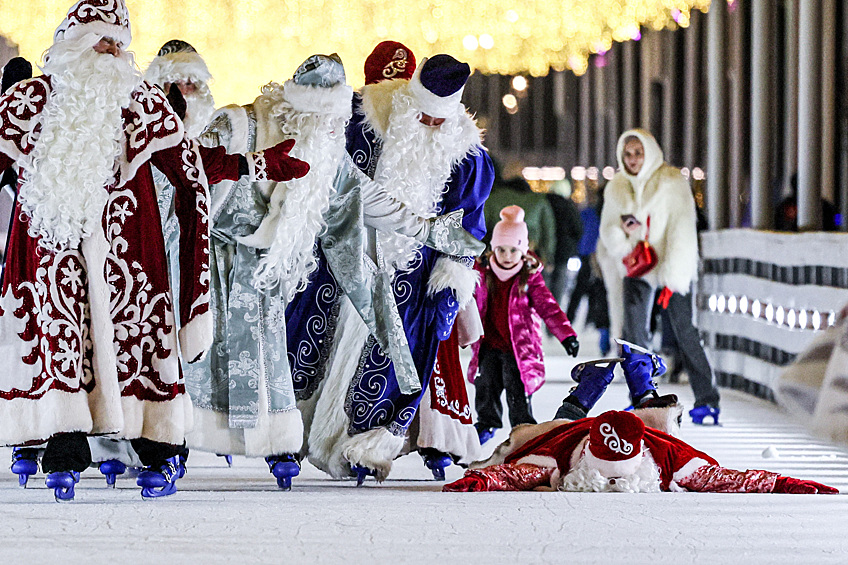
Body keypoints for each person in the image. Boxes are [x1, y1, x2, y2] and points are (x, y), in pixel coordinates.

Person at [0, 0, 309, 501]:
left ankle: (160, 450)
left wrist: (250, 164)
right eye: (102, 40)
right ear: (73, 43)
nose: (113, 51)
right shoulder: (31, 102)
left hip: (131, 259)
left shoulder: (141, 102)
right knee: (61, 347)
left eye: (120, 43)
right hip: (53, 259)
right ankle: (63, 446)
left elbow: (190, 167)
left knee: (139, 350)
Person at [288, 53, 494, 483]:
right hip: (343, 266)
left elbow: (469, 225)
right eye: (424, 118)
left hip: (413, 281)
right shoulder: (365, 127)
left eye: (440, 122)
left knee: (392, 370)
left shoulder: (469, 158)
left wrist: (452, 283)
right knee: (314, 350)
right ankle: (291, 437)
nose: (431, 128)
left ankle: (366, 449)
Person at [444, 348, 838, 494]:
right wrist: (787, 483)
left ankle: (611, 382)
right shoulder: (563, 456)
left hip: (629, 435)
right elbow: (727, 480)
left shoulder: (662, 456)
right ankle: (635, 377)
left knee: (561, 426)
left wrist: (790, 484)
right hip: (592, 435)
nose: (614, 483)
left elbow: (511, 475)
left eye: (610, 477)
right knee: (559, 428)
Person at [599, 129, 720, 425]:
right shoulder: (616, 186)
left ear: (650, 152)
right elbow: (608, 228)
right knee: (634, 336)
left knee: (685, 330)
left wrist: (673, 276)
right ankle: (642, 399)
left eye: (638, 153)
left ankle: (708, 399)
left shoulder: (672, 182)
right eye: (627, 154)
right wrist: (625, 240)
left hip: (670, 265)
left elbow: (682, 230)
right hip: (637, 266)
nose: (633, 159)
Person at [469, 206, 579, 445]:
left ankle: (523, 427)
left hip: (518, 349)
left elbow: (548, 307)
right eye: (501, 249)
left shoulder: (529, 277)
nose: (507, 256)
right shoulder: (483, 273)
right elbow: (466, 300)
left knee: (516, 387)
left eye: (513, 250)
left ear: (523, 250)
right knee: (486, 385)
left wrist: (566, 335)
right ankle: (487, 422)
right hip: (488, 344)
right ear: (493, 248)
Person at [566, 187, 611, 355]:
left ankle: (572, 320)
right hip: (604, 258)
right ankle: (601, 332)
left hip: (588, 255)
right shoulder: (611, 214)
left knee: (580, 290)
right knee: (602, 295)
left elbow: (579, 232)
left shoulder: (589, 213)